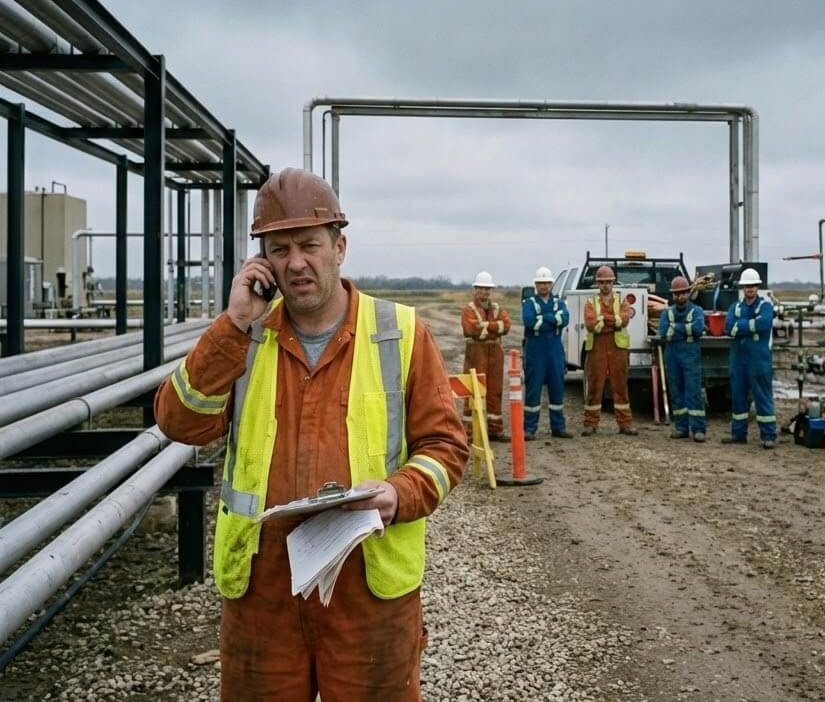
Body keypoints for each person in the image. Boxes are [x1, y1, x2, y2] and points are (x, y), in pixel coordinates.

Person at [155, 168, 468, 702]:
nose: (296, 262)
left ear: (339, 246)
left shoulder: (400, 332)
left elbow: (444, 447)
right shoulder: (245, 338)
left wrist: (400, 494)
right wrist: (232, 324)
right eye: (278, 249)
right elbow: (177, 421)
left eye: (309, 245)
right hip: (264, 591)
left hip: (366, 586)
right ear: (263, 263)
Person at [722, 267, 777, 449]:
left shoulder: (766, 306)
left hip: (759, 360)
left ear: (758, 287)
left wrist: (741, 326)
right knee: (738, 396)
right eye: (747, 286)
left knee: (762, 397)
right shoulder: (735, 307)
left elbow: (764, 323)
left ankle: (768, 435)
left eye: (753, 286)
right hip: (738, 360)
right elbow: (729, 327)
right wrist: (749, 326)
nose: (750, 289)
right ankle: (738, 434)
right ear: (742, 288)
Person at [581, 265, 638, 437]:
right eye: (602, 282)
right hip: (597, 347)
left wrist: (604, 320)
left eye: (608, 282)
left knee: (620, 385)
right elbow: (591, 325)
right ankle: (590, 424)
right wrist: (614, 320)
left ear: (613, 283)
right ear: (597, 284)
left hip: (617, 347)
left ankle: (625, 424)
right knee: (594, 386)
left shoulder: (621, 300)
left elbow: (625, 320)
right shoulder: (591, 302)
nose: (605, 285)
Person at [522, 267, 573, 440]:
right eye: (540, 283)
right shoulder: (529, 303)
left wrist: (542, 318)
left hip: (555, 352)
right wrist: (552, 319)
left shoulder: (559, 302)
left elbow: (565, 319)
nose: (543, 286)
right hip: (535, 352)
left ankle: (558, 427)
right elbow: (529, 322)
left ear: (551, 284)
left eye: (546, 283)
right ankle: (529, 428)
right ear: (535, 285)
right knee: (533, 390)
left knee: (557, 388)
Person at [460, 271, 512, 441]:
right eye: (482, 288)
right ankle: (469, 432)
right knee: (474, 390)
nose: (485, 292)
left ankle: (494, 429)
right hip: (476, 353)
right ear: (476, 289)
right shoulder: (468, 309)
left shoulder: (497, 308)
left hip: (495, 353)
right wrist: (494, 328)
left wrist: (484, 327)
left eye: (488, 289)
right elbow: (470, 329)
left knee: (495, 391)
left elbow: (506, 326)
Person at [658, 275, 706, 442]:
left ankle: (698, 429)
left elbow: (698, 328)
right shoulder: (667, 313)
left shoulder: (697, 311)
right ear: (673, 295)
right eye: (677, 294)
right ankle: (681, 427)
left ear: (688, 293)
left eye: (683, 293)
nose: (680, 297)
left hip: (690, 355)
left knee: (693, 391)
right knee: (676, 392)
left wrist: (675, 328)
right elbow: (664, 332)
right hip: (672, 356)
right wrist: (686, 329)